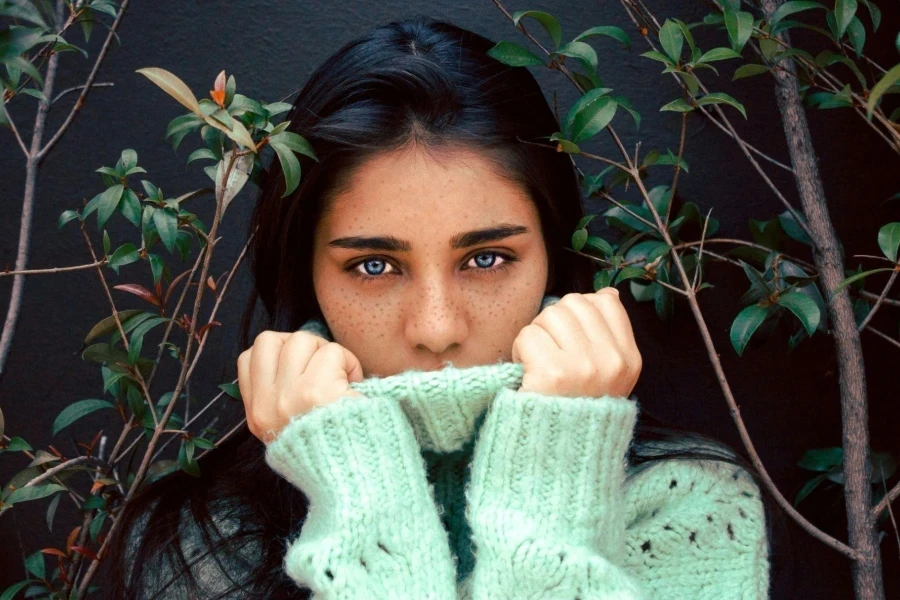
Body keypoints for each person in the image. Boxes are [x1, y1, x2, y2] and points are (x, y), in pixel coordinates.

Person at [102, 14, 788, 600]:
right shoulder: (201, 541)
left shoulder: (688, 505)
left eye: (486, 259)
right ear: (307, 275)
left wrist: (554, 468)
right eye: (374, 266)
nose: (436, 328)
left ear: (552, 255)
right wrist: (358, 496)